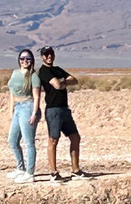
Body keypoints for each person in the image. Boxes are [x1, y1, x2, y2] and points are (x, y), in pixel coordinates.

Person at [37, 46, 91, 183]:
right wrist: (63, 82)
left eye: (51, 54)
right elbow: (56, 85)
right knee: (53, 140)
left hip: (64, 109)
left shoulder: (58, 69)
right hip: (53, 109)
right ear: (42, 57)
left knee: (75, 137)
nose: (49, 57)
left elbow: (75, 80)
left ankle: (76, 169)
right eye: (46, 54)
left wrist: (63, 82)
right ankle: (53, 172)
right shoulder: (43, 71)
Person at [7, 49, 42, 183]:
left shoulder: (33, 76)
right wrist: (11, 110)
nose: (25, 61)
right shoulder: (15, 73)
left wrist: (34, 113)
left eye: (28, 59)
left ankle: (30, 173)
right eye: (22, 58)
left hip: (28, 107)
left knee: (29, 142)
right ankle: (20, 168)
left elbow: (37, 96)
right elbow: (11, 93)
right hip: (17, 108)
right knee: (12, 140)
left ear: (32, 60)